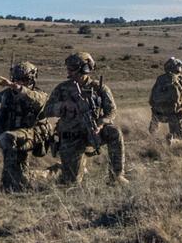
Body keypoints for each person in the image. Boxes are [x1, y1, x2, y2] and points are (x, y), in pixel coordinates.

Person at [43, 52, 127, 184]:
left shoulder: (99, 88)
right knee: (72, 182)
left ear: (84, 68)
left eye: (72, 68)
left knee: (114, 132)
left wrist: (100, 124)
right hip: (71, 137)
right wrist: (63, 106)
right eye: (68, 68)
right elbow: (46, 111)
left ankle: (116, 175)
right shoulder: (62, 88)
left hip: (94, 132)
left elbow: (112, 111)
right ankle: (61, 168)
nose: (69, 72)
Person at [0, 61, 53, 190]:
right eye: (16, 79)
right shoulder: (7, 94)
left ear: (32, 79)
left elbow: (37, 99)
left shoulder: (39, 95)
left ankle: (50, 173)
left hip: (34, 134)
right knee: (17, 178)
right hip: (14, 134)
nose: (19, 83)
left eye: (24, 80)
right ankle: (18, 181)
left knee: (6, 138)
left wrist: (15, 87)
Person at [148, 56, 182, 141]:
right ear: (178, 68)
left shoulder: (160, 79)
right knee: (179, 137)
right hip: (175, 115)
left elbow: (151, 100)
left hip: (158, 115)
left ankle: (154, 140)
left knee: (153, 135)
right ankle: (172, 141)